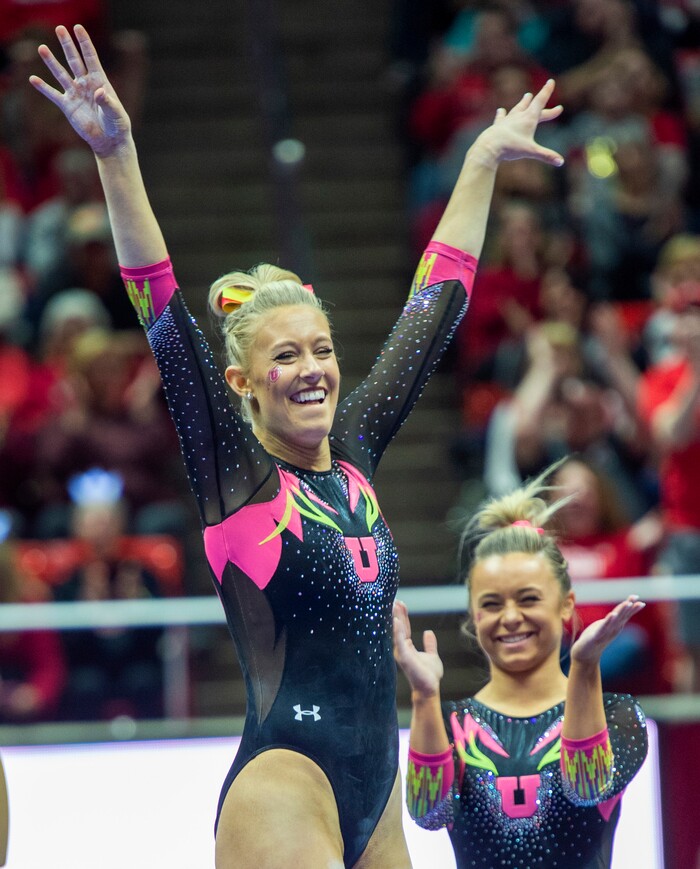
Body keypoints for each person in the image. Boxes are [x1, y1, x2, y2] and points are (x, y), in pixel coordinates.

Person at [30, 23, 564, 869]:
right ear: (242, 385)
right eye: (286, 356)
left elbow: (434, 308)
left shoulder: (354, 454)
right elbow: (162, 311)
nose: (313, 369)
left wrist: (481, 162)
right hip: (285, 782)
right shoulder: (237, 476)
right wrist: (116, 155)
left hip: (376, 789)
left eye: (321, 349)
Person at [393, 467, 648, 868]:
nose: (510, 617)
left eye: (528, 599)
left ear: (566, 604)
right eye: (492, 604)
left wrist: (583, 667)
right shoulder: (450, 722)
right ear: (474, 616)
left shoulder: (618, 715)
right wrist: (425, 696)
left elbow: (585, 786)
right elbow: (428, 813)